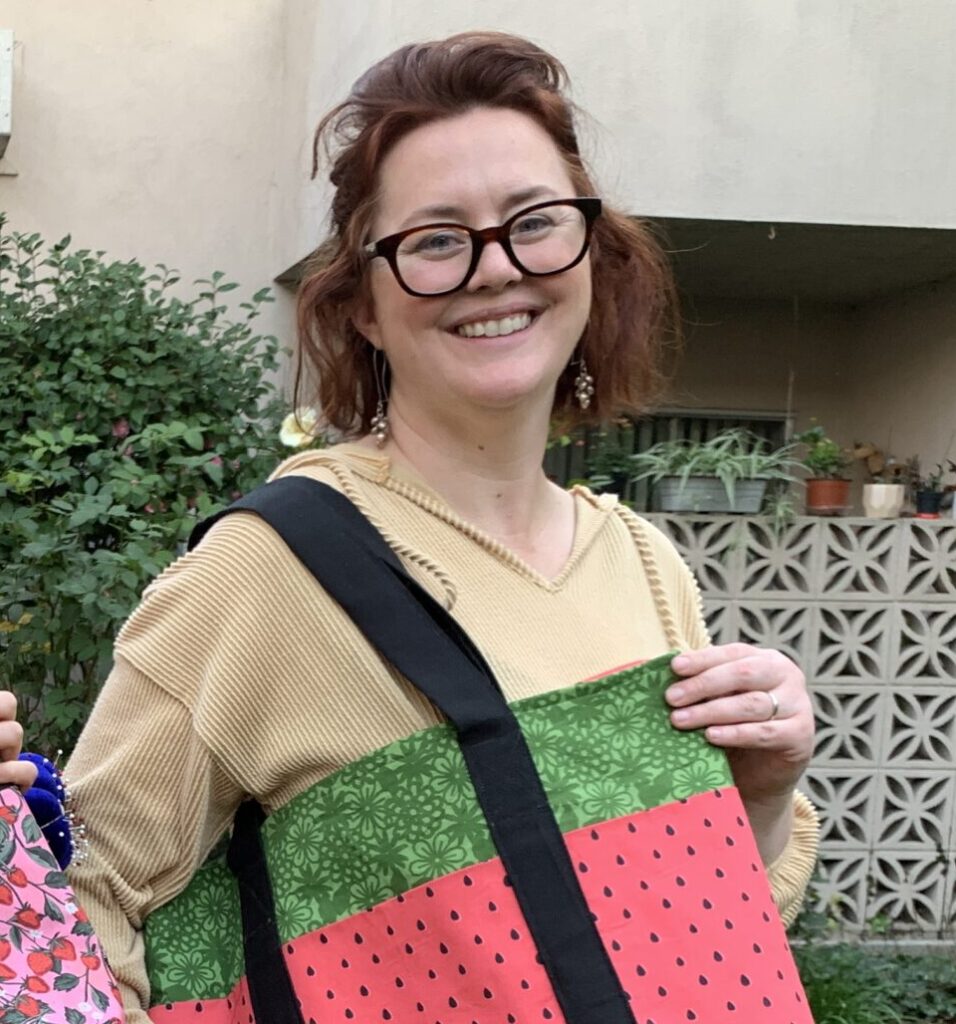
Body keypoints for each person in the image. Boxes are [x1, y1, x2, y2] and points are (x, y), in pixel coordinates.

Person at [59, 31, 818, 1023]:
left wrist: (756, 797)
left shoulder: (641, 561)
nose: (494, 268)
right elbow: (70, 901)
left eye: (534, 222)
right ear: (362, 304)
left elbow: (688, 935)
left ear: (591, 252)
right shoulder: (266, 569)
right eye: (434, 240)